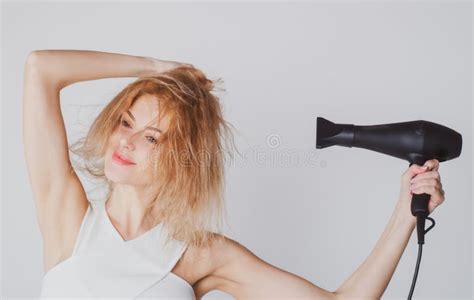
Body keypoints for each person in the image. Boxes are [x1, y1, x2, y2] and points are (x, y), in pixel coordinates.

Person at [23, 49, 446, 299]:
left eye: (153, 139)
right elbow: (41, 67)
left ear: (183, 159)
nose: (127, 142)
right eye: (126, 122)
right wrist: (155, 68)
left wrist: (404, 217)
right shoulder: (69, 220)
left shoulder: (201, 255)